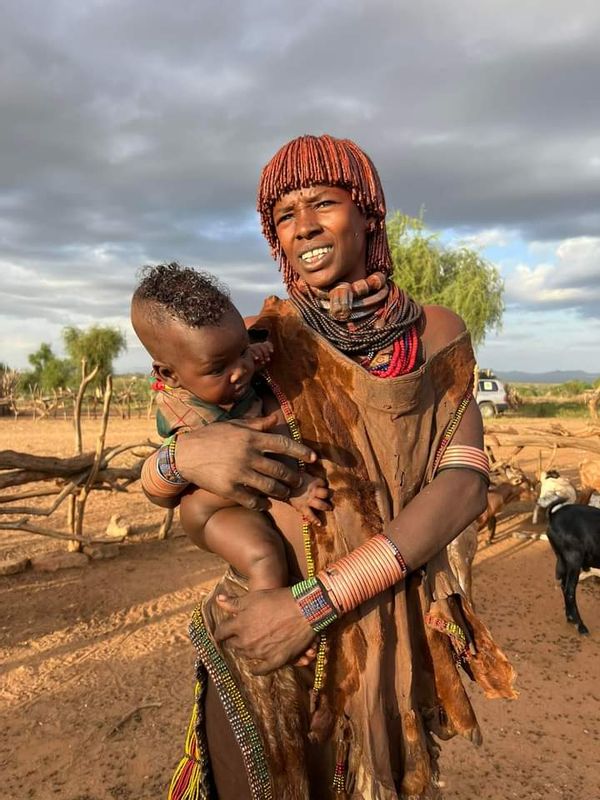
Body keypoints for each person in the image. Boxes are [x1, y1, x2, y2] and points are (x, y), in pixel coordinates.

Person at [144, 135, 516, 800]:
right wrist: (181, 457)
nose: (304, 226)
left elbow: (461, 487)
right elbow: (168, 484)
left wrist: (315, 605)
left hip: (375, 637)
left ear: (369, 212)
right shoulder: (261, 343)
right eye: (284, 215)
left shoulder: (435, 337)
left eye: (323, 202)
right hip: (266, 640)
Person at [131, 263, 330, 592]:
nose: (241, 371)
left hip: (237, 504)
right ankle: (268, 619)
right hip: (222, 512)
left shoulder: (218, 357)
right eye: (219, 368)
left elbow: (233, 352)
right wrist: (295, 489)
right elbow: (241, 462)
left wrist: (254, 350)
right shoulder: (193, 419)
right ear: (169, 375)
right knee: (265, 557)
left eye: (241, 351)